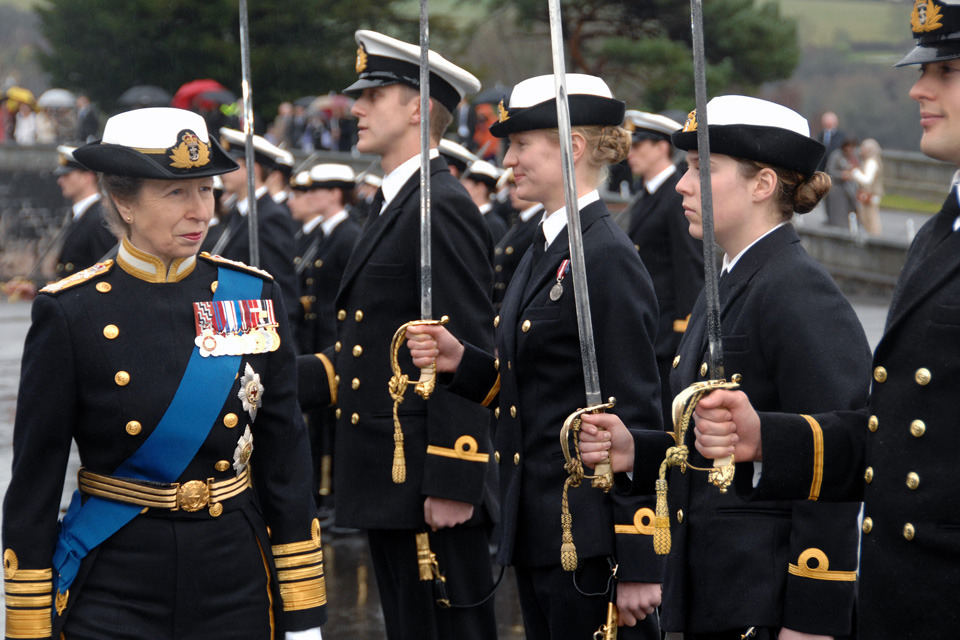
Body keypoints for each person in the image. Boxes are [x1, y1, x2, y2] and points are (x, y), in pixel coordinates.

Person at [1, 107, 326, 640]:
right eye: (176, 193)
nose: (200, 211)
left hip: (234, 571)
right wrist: (30, 622)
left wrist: (303, 612)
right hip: (117, 576)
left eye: (206, 190)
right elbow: (35, 481)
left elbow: (284, 454)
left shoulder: (250, 294)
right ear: (123, 201)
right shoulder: (70, 310)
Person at [691, 3, 960, 637]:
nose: (919, 87)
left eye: (946, 69)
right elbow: (895, 442)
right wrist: (765, 439)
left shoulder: (796, 287)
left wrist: (812, 610)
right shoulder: (936, 237)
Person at [579, 95, 872, 640]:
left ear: (762, 184)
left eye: (701, 170)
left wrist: (813, 618)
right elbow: (708, 449)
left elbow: (835, 459)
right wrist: (635, 450)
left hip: (764, 606)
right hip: (717, 593)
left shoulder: (797, 290)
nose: (683, 186)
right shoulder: (729, 282)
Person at [406, 73, 664, 639]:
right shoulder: (547, 244)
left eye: (523, 144)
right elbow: (537, 385)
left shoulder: (605, 256)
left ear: (571, 147)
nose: (508, 159)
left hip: (591, 541)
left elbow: (637, 416)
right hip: (542, 529)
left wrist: (641, 559)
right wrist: (461, 362)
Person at [296, 30, 498, 639]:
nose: (355, 108)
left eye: (373, 95)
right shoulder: (398, 201)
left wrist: (454, 480)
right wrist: (273, 376)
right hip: (389, 480)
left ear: (416, 108)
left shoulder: (442, 204)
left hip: (427, 487)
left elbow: (464, 347)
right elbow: (367, 345)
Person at [621, 110, 704, 427]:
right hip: (649, 328)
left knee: (667, 425)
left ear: (661, 147)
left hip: (668, 331)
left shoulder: (675, 195)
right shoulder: (648, 196)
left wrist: (684, 330)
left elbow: (689, 265)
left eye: (638, 146)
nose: (630, 154)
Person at [289, 163, 361, 520]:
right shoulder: (327, 233)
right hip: (320, 341)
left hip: (337, 341)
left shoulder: (347, 235)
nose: (308, 197)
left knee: (335, 428)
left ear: (334, 194)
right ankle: (325, 495)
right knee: (321, 426)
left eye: (317, 190)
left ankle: (335, 497)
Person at [215, 127, 301, 327]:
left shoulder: (271, 216)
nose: (224, 173)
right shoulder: (239, 212)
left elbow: (282, 285)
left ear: (253, 168)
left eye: (233, 164)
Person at [491, 168, 543, 311]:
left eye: (517, 185)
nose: (512, 192)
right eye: (511, 186)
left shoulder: (538, 223)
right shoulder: (522, 220)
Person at [823, 138, 859, 229]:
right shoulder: (836, 156)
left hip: (849, 190)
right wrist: (842, 175)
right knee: (837, 215)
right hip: (836, 189)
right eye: (849, 147)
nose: (850, 150)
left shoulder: (854, 157)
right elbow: (830, 171)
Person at [852, 138, 883, 236]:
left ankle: (874, 239)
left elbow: (867, 180)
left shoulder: (871, 162)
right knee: (868, 219)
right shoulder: (871, 161)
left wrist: (855, 172)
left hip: (870, 195)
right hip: (870, 196)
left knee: (871, 220)